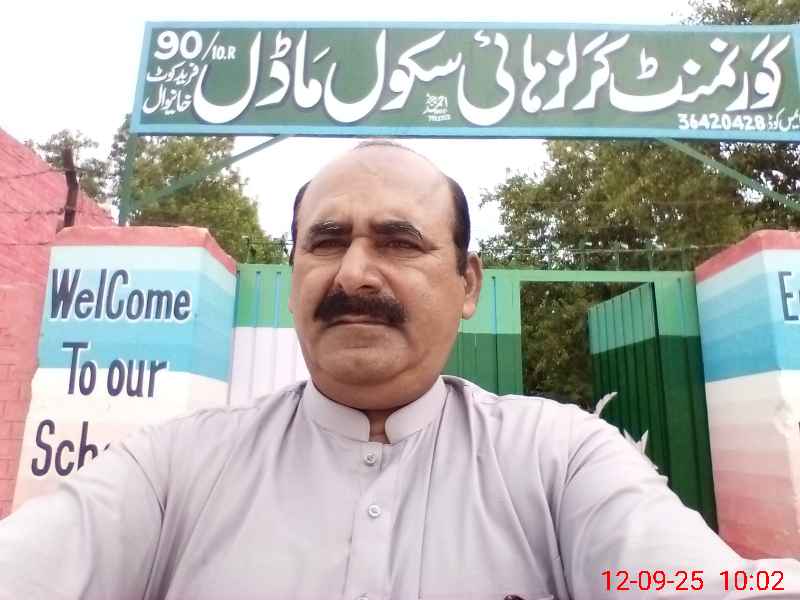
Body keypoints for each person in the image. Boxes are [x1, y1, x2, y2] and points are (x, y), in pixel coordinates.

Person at [0, 140, 798, 600]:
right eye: (326, 241)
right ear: (293, 273)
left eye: (398, 242)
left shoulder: (561, 458)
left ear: (467, 285)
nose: (353, 273)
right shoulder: (173, 468)